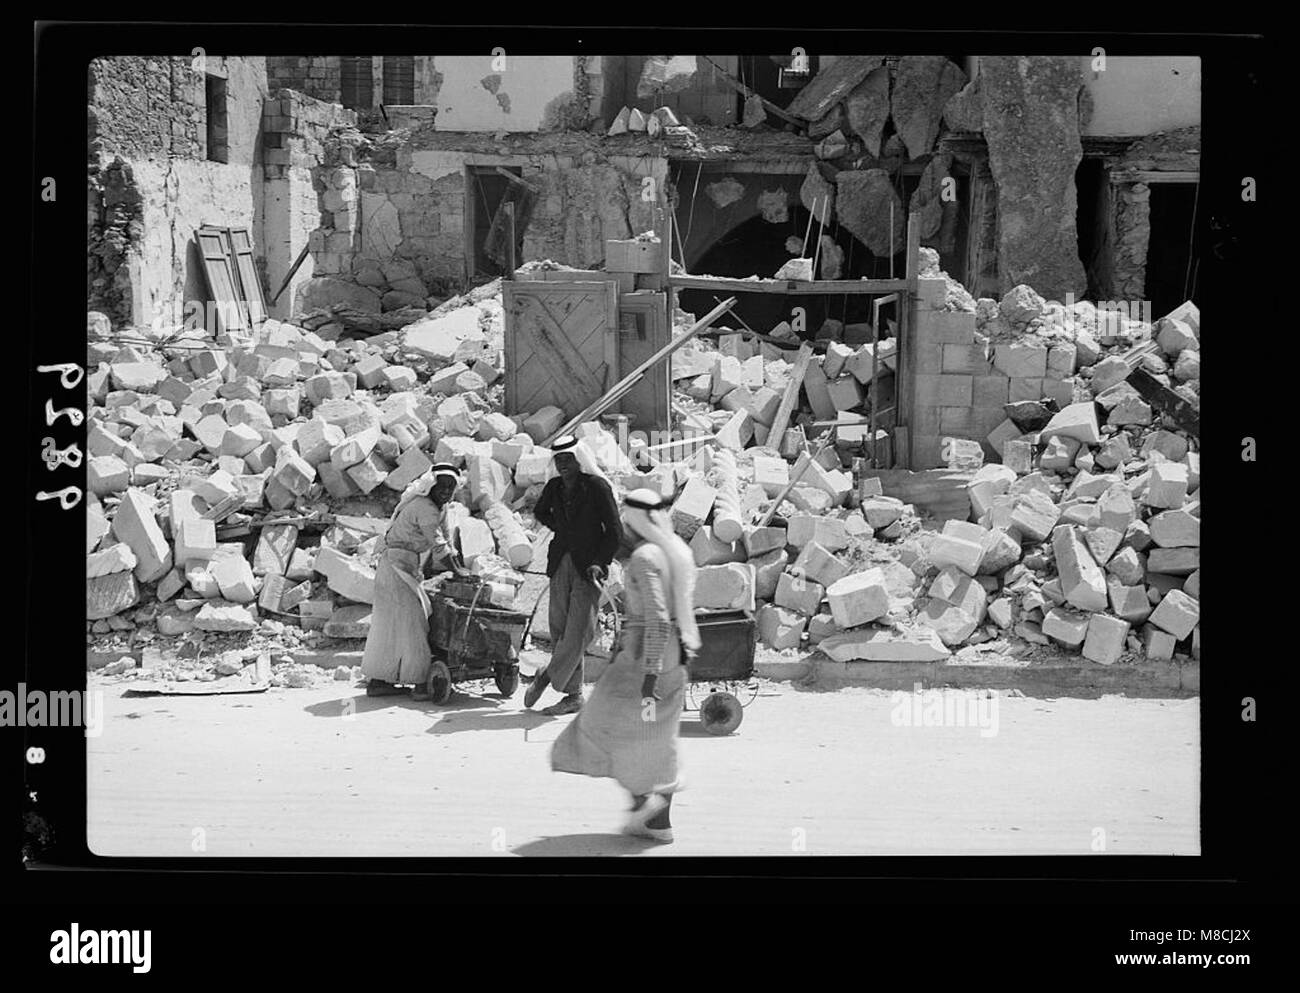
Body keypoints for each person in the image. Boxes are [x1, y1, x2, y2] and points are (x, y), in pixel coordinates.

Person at [549, 488, 701, 843]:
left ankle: (645, 809)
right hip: (668, 662)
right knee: (653, 740)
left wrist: (647, 675)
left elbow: (659, 620)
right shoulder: (670, 552)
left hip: (646, 665)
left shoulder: (647, 558)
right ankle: (653, 818)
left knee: (605, 725)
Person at [524, 435, 623, 717]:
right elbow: (541, 511)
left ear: (579, 459)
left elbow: (615, 532)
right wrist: (562, 529)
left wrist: (600, 562)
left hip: (588, 567)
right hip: (560, 563)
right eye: (559, 460)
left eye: (568, 459)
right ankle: (573, 695)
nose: (563, 465)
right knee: (559, 628)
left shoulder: (597, 487)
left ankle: (546, 675)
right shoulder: (554, 487)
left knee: (579, 630)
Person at [361, 463, 461, 699]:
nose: (446, 491)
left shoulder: (440, 508)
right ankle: (418, 682)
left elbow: (448, 542)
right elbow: (438, 546)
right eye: (442, 486)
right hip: (396, 565)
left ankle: (379, 681)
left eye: (451, 487)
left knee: (391, 625)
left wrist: (457, 566)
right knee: (416, 622)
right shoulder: (425, 507)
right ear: (431, 486)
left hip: (404, 564)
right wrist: (459, 573)